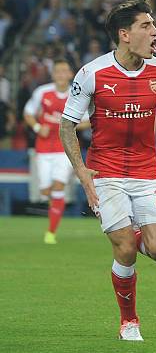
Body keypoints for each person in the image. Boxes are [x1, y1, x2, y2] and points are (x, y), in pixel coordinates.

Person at [60, 0, 156, 341]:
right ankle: (129, 322)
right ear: (124, 34)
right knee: (124, 247)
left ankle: (135, 236)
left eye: (154, 25)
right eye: (146, 26)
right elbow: (67, 125)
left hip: (147, 173)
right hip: (105, 174)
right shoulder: (92, 73)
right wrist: (82, 172)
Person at [24, 58, 89, 244]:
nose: (61, 75)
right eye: (57, 71)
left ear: (70, 74)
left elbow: (88, 119)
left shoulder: (76, 95)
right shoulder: (42, 92)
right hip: (43, 149)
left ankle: (50, 233)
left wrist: (71, 127)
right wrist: (37, 128)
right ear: (53, 75)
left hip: (64, 149)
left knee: (58, 187)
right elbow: (28, 112)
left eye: (64, 71)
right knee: (45, 191)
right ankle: (54, 209)